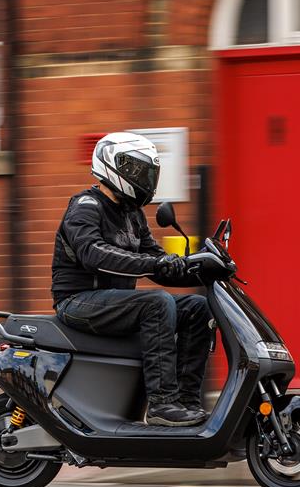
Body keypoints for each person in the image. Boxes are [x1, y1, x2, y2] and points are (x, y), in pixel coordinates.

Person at [51, 131, 210, 427]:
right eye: (137, 170)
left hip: (114, 304)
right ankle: (162, 404)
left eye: (148, 173)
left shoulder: (133, 215)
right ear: (115, 167)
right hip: (78, 301)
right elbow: (93, 253)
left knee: (197, 307)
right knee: (157, 303)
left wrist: (199, 267)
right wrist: (156, 262)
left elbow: (156, 262)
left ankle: (186, 402)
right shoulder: (86, 206)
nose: (144, 178)